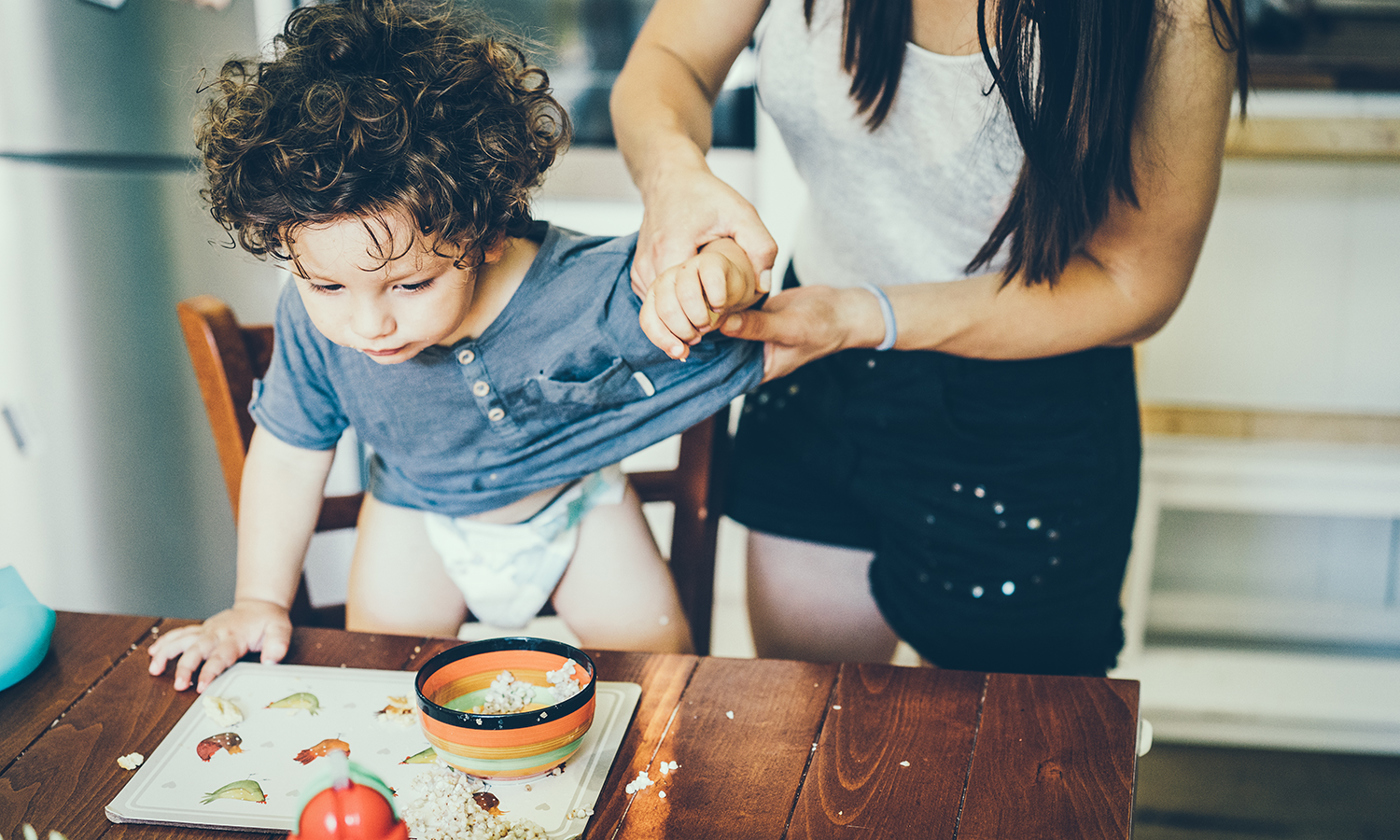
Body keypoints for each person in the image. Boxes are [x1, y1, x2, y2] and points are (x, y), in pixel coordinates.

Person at [611, 0, 1249, 674]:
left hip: (1027, 405)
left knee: (1010, 764)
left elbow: (1134, 284)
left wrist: (862, 316)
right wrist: (674, 175)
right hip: (817, 366)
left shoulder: (1178, 11)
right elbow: (669, 61)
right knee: (810, 730)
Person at [149, 0, 765, 692]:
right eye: (326, 287)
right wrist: (258, 602)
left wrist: (717, 277)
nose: (366, 324)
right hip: (415, 516)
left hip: (574, 506)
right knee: (379, 686)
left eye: (409, 285)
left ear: (487, 232)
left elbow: (712, 275)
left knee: (662, 682)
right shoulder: (313, 323)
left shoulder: (581, 287)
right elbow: (291, 455)